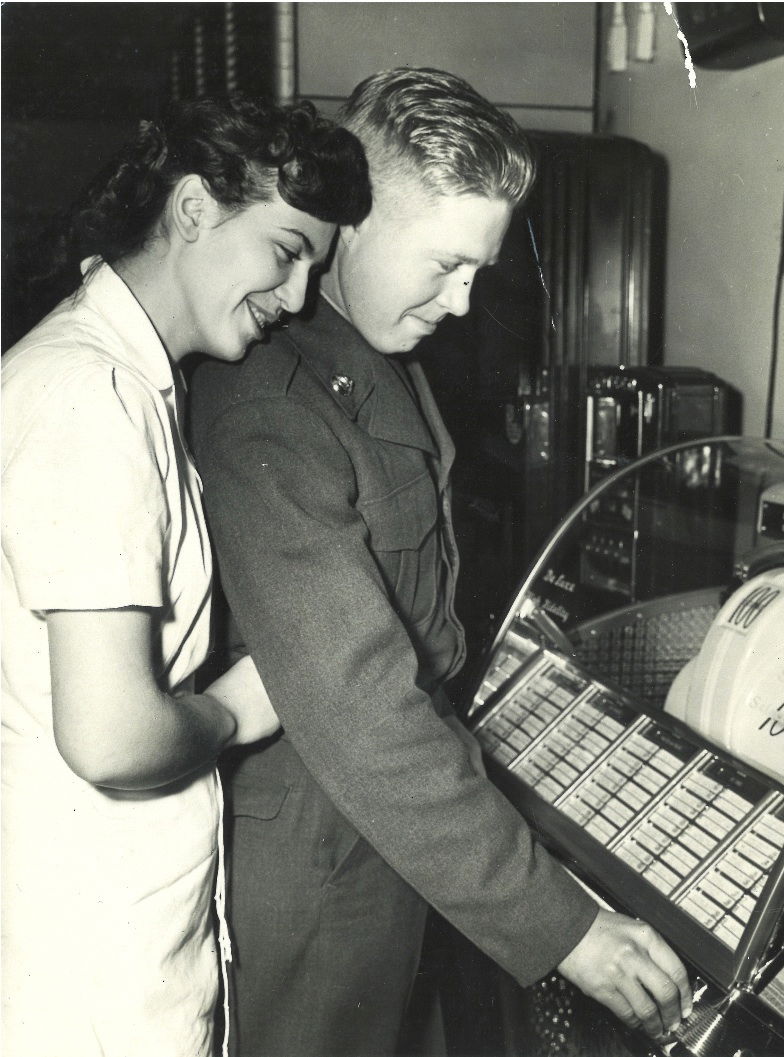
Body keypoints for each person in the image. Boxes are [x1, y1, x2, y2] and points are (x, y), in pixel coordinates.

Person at [189, 68, 692, 1057]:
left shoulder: (379, 357)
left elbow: (417, 610)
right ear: (354, 222)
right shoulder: (266, 397)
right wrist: (567, 927)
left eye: (480, 270)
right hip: (318, 869)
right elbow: (360, 699)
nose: (464, 303)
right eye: (448, 264)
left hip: (394, 850)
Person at [1, 95, 370, 1057]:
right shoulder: (95, 394)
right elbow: (114, 734)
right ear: (197, 209)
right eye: (285, 251)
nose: (295, 298)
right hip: (91, 978)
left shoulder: (109, 372)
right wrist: (240, 710)